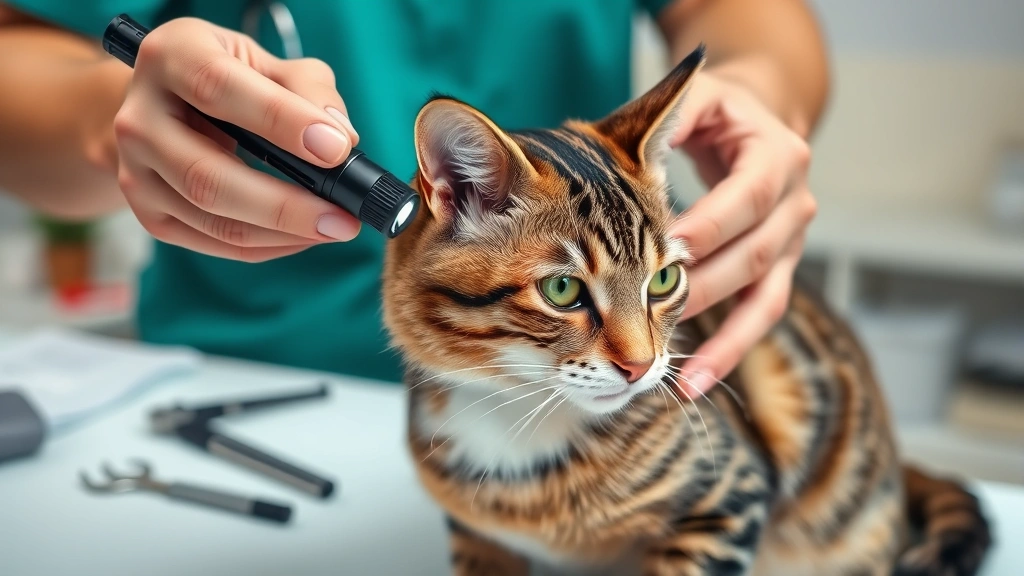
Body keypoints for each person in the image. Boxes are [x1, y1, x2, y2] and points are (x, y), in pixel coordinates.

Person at [0, 0, 826, 391]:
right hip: (246, 382)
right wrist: (103, 121)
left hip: (559, 405)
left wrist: (761, 90)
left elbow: (751, 15)